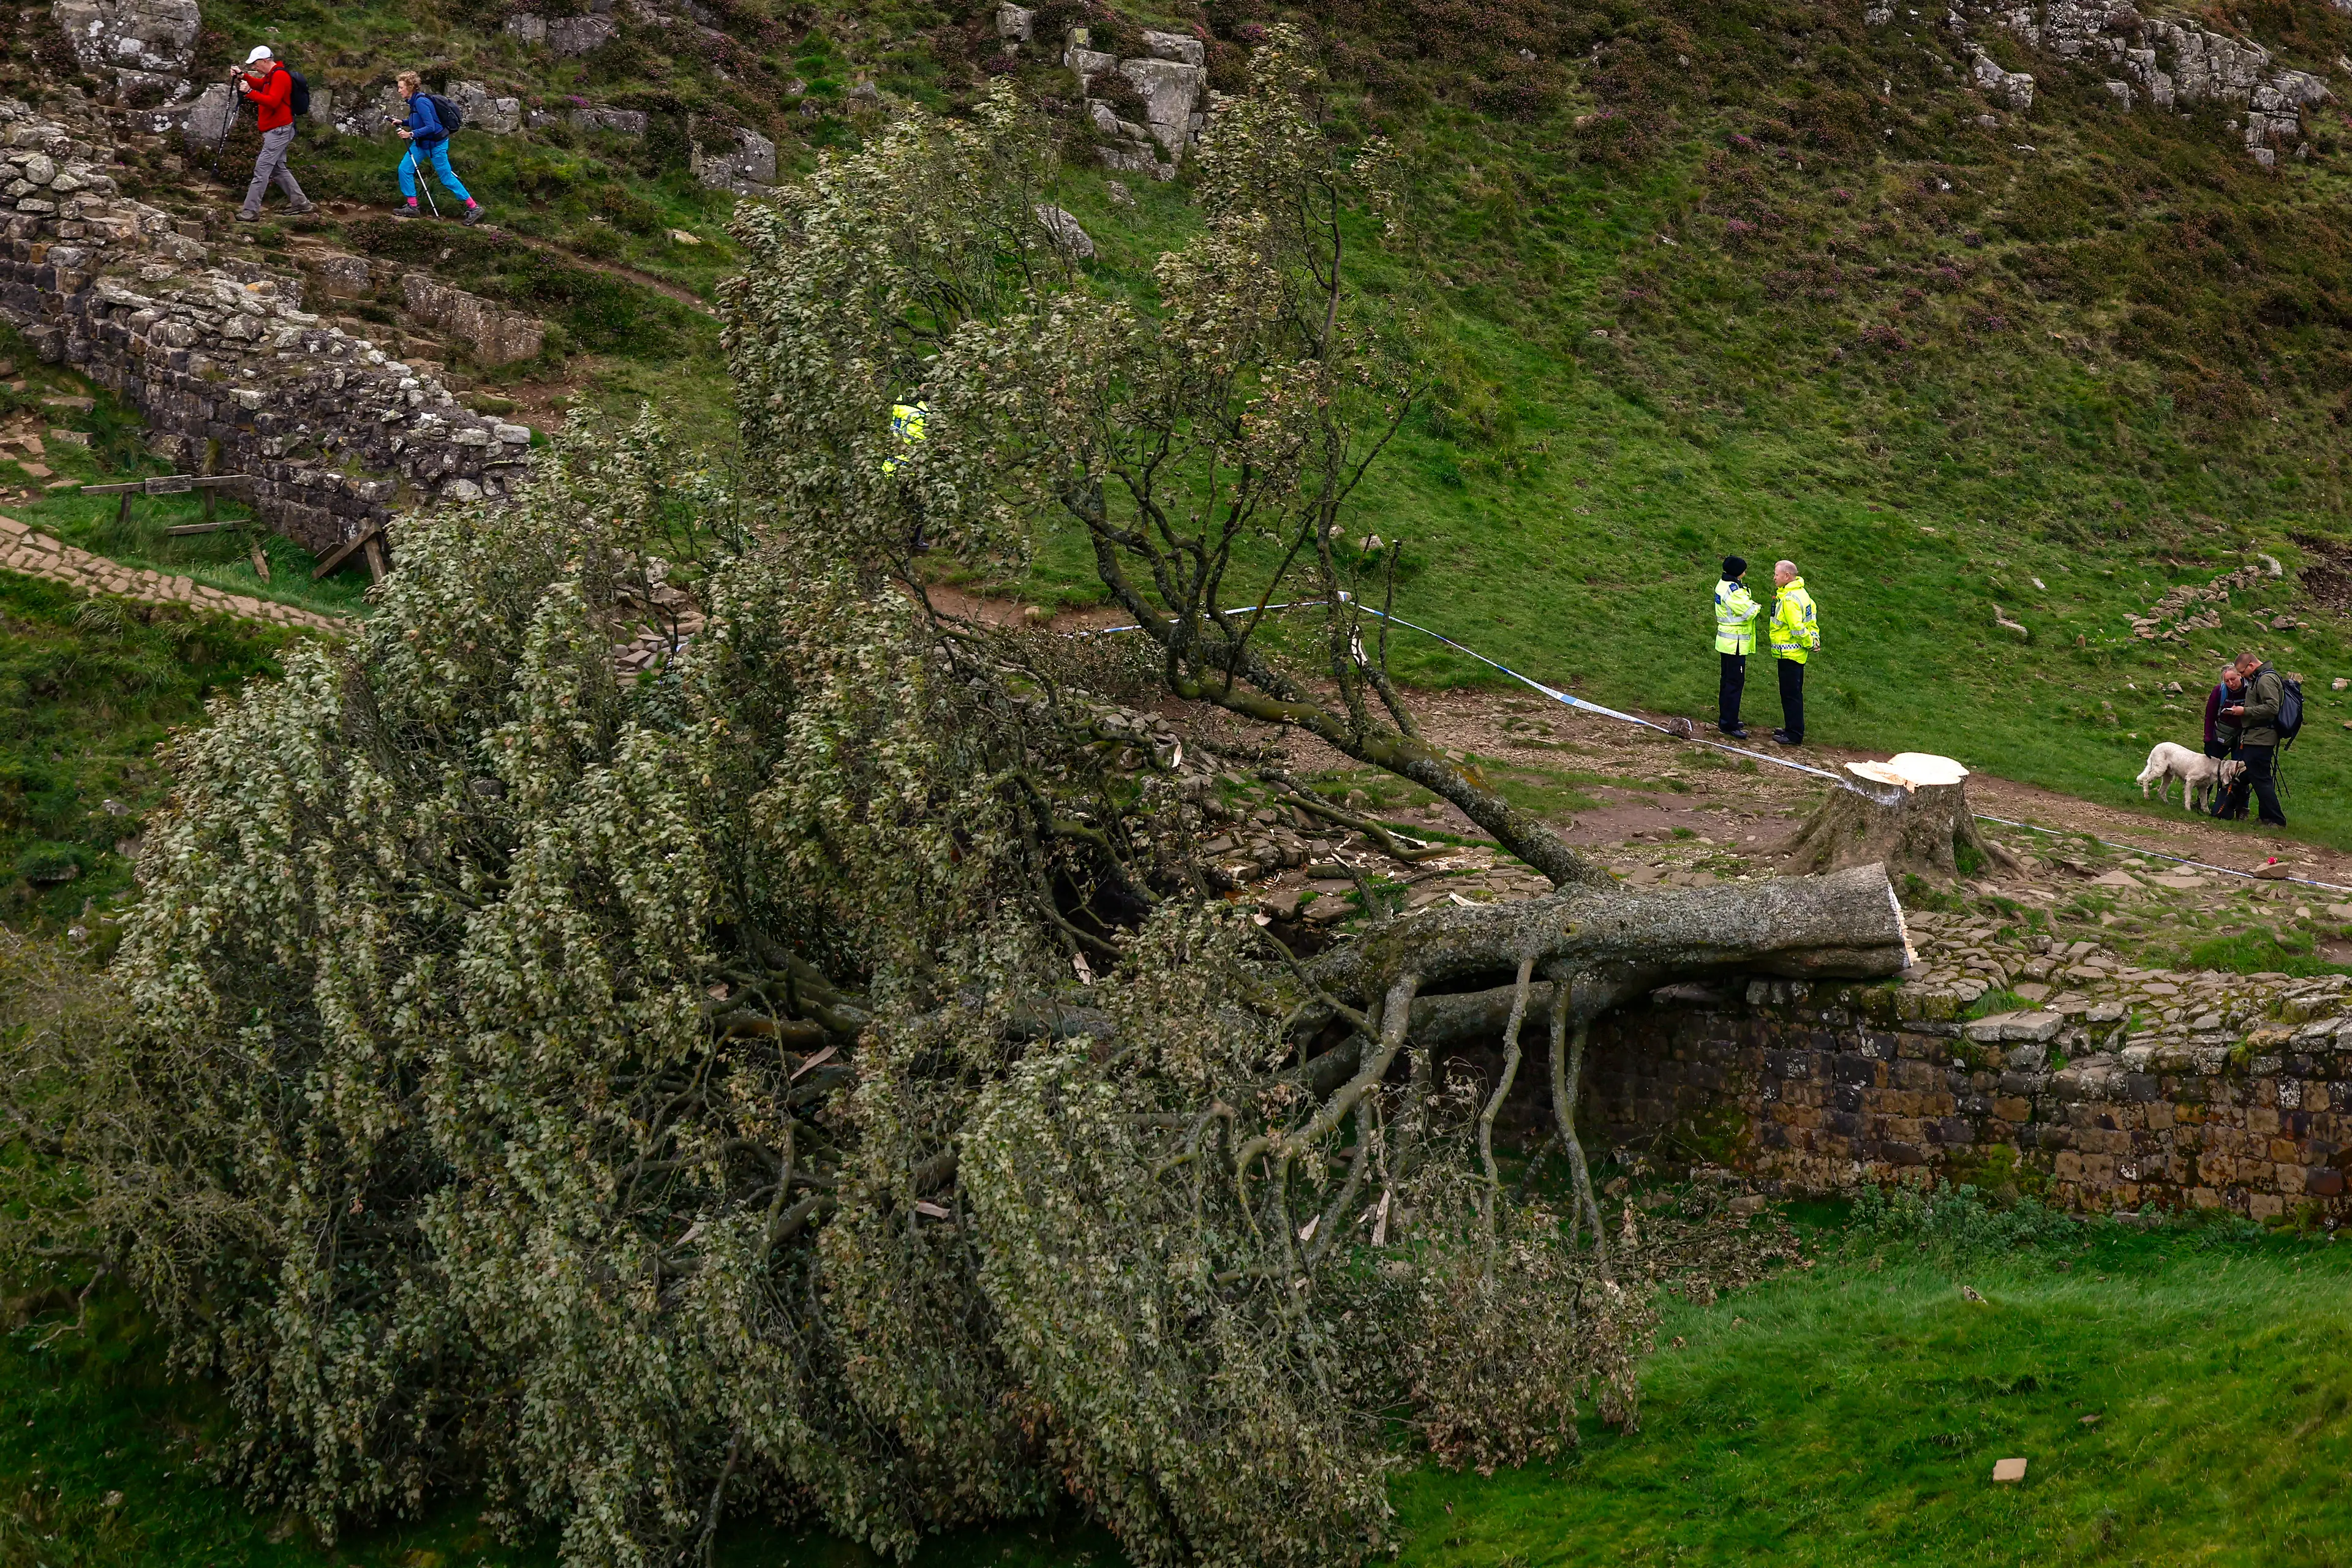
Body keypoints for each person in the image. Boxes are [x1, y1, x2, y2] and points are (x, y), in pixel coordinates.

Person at [234, 46, 314, 223]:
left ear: (264, 61)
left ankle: (250, 211)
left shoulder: (280, 76)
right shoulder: (272, 75)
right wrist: (243, 76)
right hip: (277, 129)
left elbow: (273, 102)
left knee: (261, 170)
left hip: (279, 130)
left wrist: (248, 93)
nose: (254, 68)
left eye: (255, 64)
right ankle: (301, 203)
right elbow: (260, 85)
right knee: (278, 169)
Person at [394, 72, 483, 225]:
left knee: (446, 178)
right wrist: (402, 121)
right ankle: (412, 206)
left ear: (409, 87)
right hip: (422, 144)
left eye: (401, 87)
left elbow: (431, 127)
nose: (399, 91)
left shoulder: (421, 102)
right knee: (404, 169)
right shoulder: (414, 101)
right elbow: (419, 120)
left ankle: (474, 208)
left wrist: (410, 134)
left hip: (436, 145)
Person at [2216, 651, 2287, 827]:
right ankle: (2266, 817)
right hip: (2256, 736)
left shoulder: (2265, 679)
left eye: (2241, 672)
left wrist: (2244, 711)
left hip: (2262, 738)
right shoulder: (2261, 677)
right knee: (2258, 778)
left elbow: (2272, 707)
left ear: (2251, 665)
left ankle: (2277, 820)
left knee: (2261, 779)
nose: (2241, 676)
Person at [1766, 559, 1819, 745]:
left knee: (1790, 694)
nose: (1774, 578)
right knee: (1794, 693)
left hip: (1789, 653)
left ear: (1787, 576)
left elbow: (1797, 627)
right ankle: (1792, 728)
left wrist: (1808, 643)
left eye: (1777, 574)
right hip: (1798, 654)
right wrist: (1814, 640)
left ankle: (1794, 734)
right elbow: (1811, 621)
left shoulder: (1789, 599)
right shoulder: (1803, 594)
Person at [1713, 556, 1759, 739]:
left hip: (1727, 642)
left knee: (1727, 682)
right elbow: (1750, 611)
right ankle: (1729, 724)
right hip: (1736, 643)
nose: (1745, 573)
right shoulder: (1734, 591)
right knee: (1734, 683)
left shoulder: (1724, 584)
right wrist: (1757, 606)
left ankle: (1727, 718)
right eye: (1744, 570)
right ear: (1738, 572)